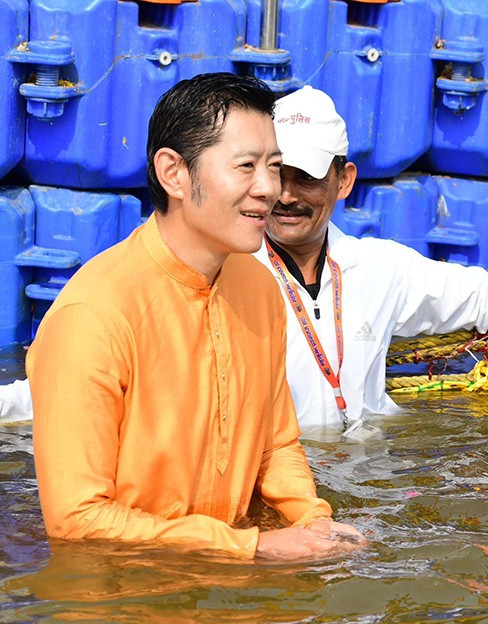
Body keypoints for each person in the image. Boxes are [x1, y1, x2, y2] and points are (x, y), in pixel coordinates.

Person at [26, 73, 364, 560]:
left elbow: (276, 445)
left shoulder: (259, 286)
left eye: (274, 166)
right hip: (127, 592)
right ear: (174, 174)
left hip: (229, 581)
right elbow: (77, 520)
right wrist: (254, 547)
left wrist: (314, 520)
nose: (269, 189)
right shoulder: (94, 315)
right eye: (246, 166)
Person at [256, 85, 488, 432]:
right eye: (276, 173)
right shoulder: (232, 272)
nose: (286, 195)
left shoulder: (378, 269)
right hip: (281, 470)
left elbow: (487, 297)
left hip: (364, 469)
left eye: (306, 178)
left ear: (344, 181)